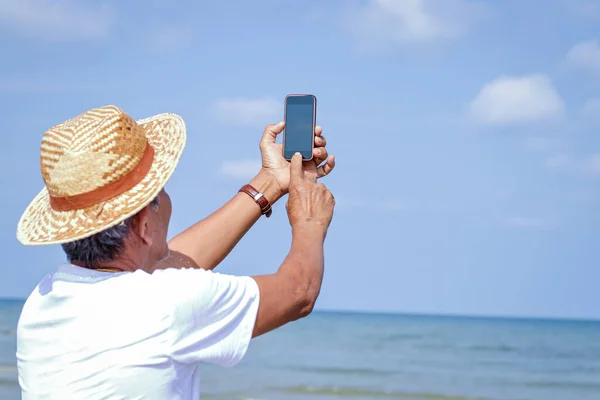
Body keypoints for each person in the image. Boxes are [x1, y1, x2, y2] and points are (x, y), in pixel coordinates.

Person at [15, 105, 336, 399]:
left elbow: (163, 271)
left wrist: (271, 181)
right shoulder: (168, 304)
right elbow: (299, 291)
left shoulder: (41, 302)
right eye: (160, 189)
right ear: (142, 226)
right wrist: (310, 218)